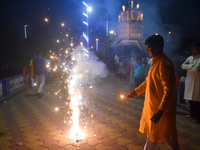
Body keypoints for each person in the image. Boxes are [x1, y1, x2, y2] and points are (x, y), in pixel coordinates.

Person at [126, 34, 179, 150]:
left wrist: (160, 111)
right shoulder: (156, 62)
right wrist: (135, 92)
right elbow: (148, 82)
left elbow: (169, 90)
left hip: (161, 111)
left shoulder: (164, 64)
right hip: (153, 108)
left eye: (149, 48)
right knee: (163, 136)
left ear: (157, 48)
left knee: (162, 136)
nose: (147, 51)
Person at [181, 41, 200, 124]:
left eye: (194, 48)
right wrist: (191, 66)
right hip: (189, 81)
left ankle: (197, 117)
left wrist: (189, 66)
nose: (192, 50)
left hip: (197, 82)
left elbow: (196, 69)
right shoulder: (190, 58)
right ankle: (192, 114)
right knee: (190, 99)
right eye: (192, 48)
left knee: (196, 101)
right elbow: (182, 66)